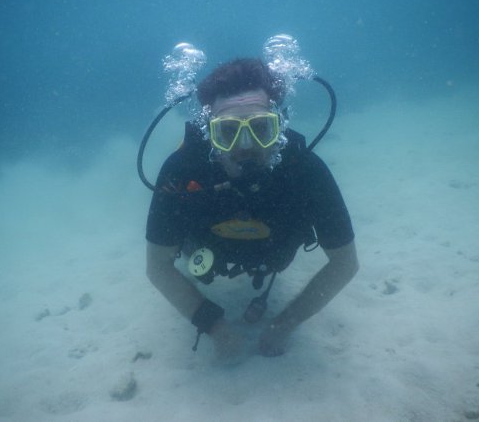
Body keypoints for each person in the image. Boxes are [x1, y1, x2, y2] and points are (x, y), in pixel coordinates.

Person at [145, 58, 358, 359]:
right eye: (227, 131)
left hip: (274, 256)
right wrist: (214, 327)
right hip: (205, 250)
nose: (246, 146)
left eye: (261, 128)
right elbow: (157, 267)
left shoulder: (305, 171)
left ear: (279, 126)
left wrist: (286, 323)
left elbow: (345, 264)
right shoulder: (181, 172)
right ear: (209, 132)